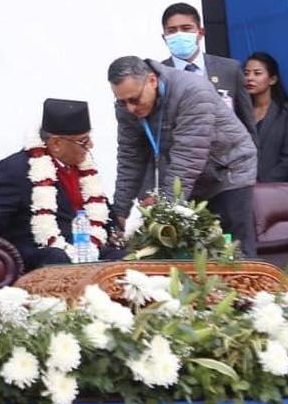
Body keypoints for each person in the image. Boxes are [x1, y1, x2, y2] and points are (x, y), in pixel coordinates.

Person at [108, 55, 260, 255]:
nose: (130, 108)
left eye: (134, 100)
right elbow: (130, 157)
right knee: (188, 251)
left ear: (152, 81)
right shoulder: (127, 106)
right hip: (188, 178)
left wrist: (165, 209)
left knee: (232, 251)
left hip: (228, 171)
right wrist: (120, 211)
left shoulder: (192, 90)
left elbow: (188, 158)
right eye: (122, 101)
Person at [0, 99, 124, 271]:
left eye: (89, 138)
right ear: (56, 144)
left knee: (126, 259)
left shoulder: (85, 168)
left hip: (87, 249)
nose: (90, 146)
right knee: (57, 257)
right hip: (41, 250)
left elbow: (103, 212)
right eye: (83, 141)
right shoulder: (17, 168)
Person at [159, 2, 255, 135]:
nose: (179, 34)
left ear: (200, 32)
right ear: (164, 37)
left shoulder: (230, 69)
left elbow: (247, 123)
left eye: (186, 28)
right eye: (172, 30)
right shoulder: (157, 75)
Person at [243, 51, 288, 182]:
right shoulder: (239, 112)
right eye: (246, 73)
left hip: (275, 187)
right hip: (242, 185)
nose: (249, 78)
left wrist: (266, 184)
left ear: (272, 79)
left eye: (257, 73)